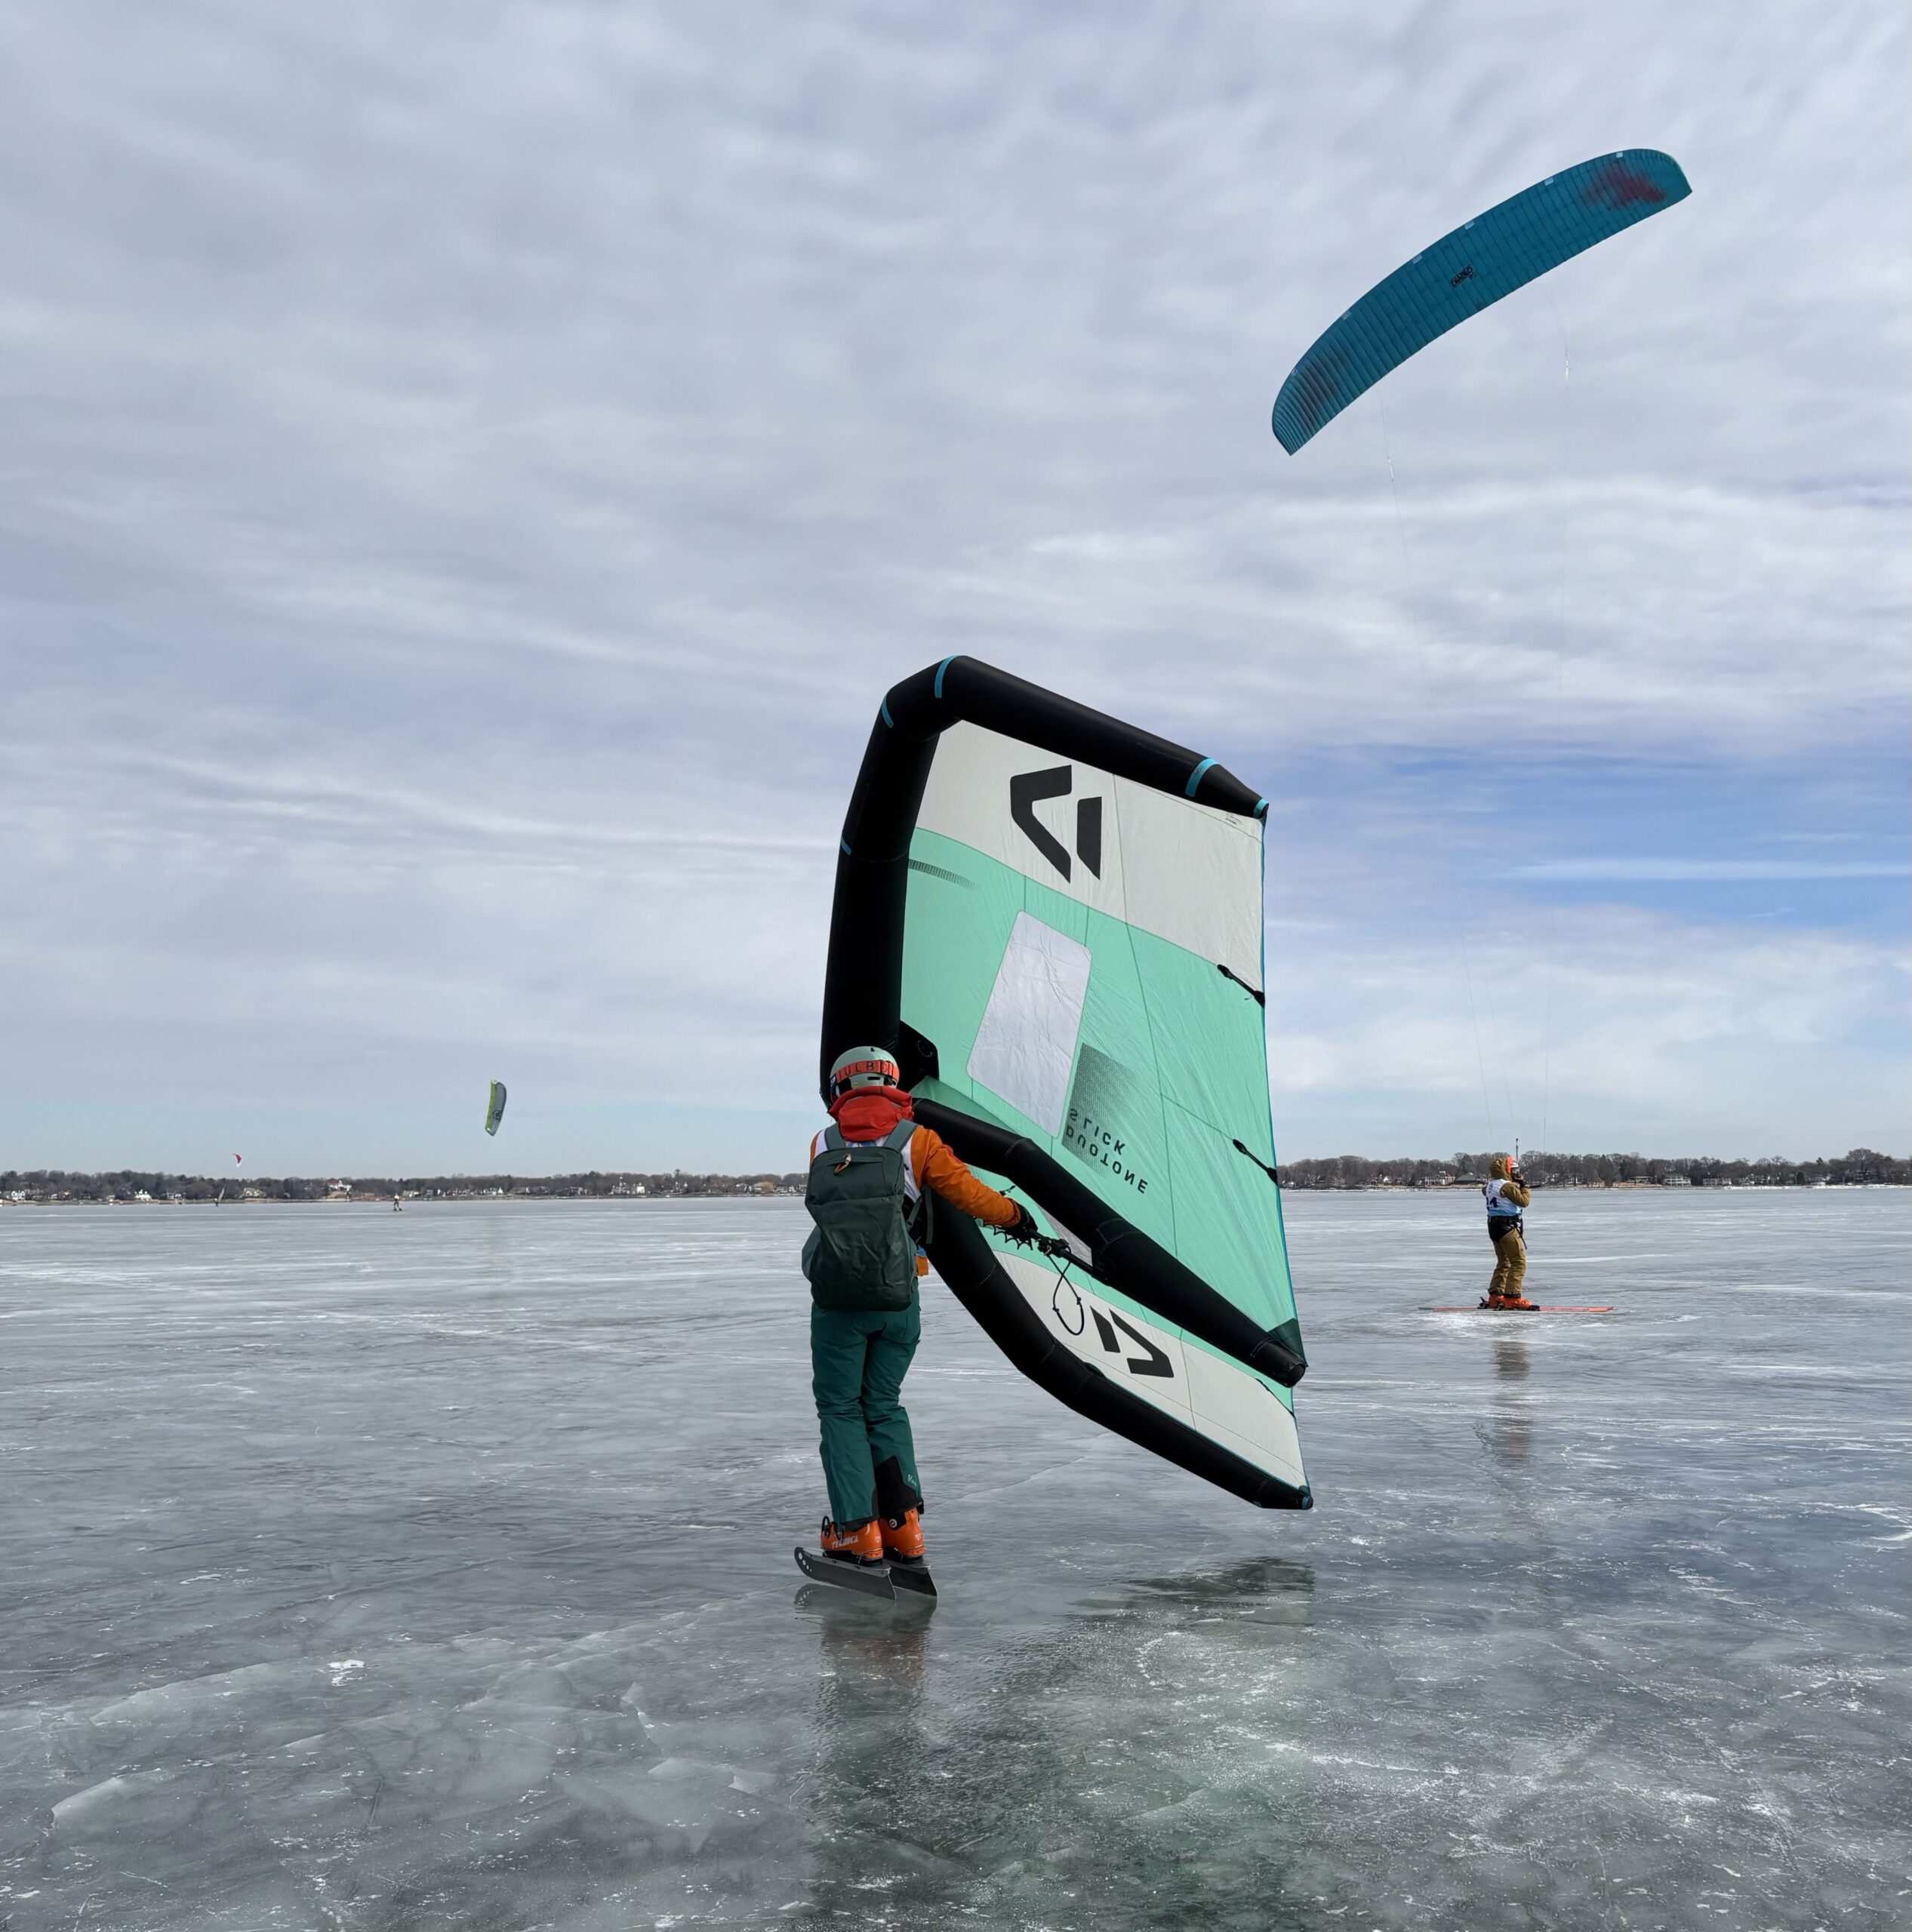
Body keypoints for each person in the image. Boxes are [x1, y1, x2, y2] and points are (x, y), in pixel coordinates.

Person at [803, 1044, 1035, 1568]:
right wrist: (1016, 1215)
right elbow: (970, 1195)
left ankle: (855, 1532)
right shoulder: (918, 1141)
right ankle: (902, 1528)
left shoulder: (822, 1142)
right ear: (892, 1082)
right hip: (896, 1295)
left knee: (840, 1408)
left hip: (836, 1299)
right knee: (881, 1405)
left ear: (839, 1088)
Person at [1481, 1155, 1536, 1310]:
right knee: (1518, 1261)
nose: (1516, 1173)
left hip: (1493, 1226)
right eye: (1514, 1170)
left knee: (1503, 1262)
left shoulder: (1490, 1185)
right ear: (1507, 1170)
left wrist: (1514, 1184)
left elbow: (1485, 1191)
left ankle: (1495, 1296)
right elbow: (1524, 1202)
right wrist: (1523, 1186)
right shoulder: (1508, 1186)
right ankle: (1512, 1297)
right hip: (1507, 1227)